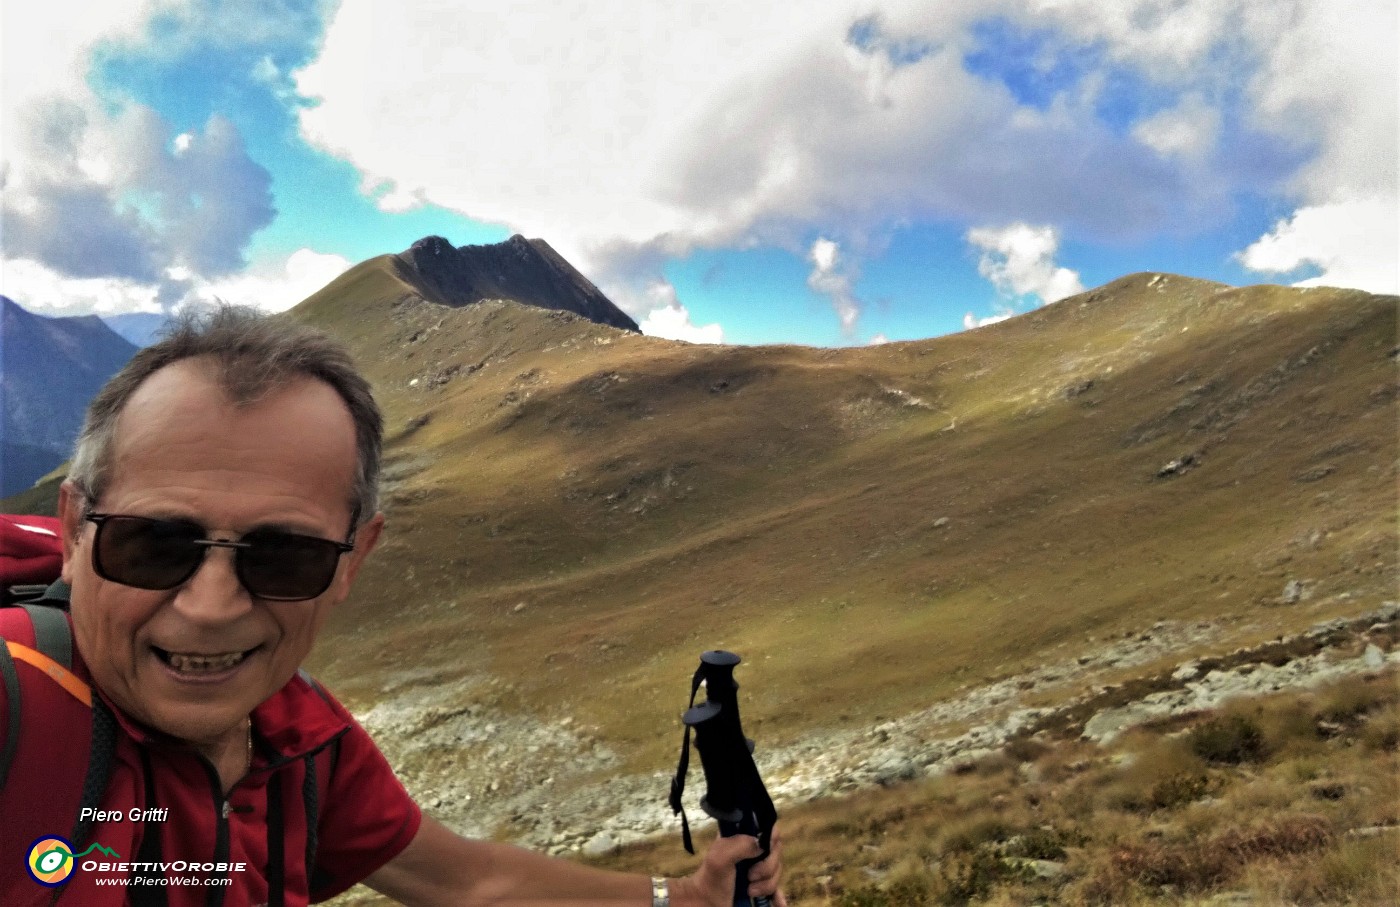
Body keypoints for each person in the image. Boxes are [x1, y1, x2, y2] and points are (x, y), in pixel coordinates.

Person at [0, 306, 785, 906]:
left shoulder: (299, 739)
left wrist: (677, 898)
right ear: (72, 530)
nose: (209, 606)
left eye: (285, 556)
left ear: (353, 558)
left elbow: (469, 879)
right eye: (155, 545)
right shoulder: (18, 700)